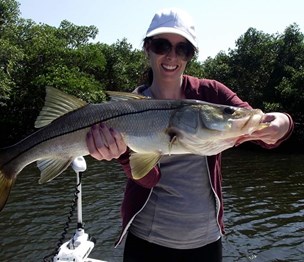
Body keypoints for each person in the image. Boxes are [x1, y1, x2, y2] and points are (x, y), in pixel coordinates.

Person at [86, 8, 294, 262]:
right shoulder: (130, 111)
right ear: (147, 49)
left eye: (183, 49)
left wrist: (282, 124)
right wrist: (121, 156)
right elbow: (148, 179)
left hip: (206, 240)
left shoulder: (211, 94)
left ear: (190, 56)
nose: (172, 56)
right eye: (162, 45)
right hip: (148, 240)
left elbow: (254, 123)